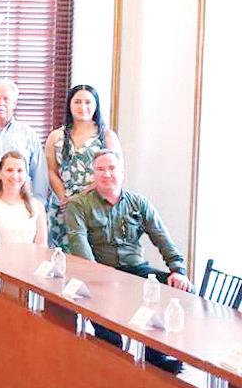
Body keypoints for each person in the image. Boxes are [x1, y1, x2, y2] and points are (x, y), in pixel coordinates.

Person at [67, 150, 189, 372]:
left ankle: (155, 355)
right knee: (96, 297)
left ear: (122, 172)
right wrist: (99, 276)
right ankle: (112, 357)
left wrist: (177, 270)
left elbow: (162, 237)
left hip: (136, 271)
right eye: (100, 169)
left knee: (181, 290)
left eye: (112, 168)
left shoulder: (139, 203)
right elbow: (79, 243)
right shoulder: (79, 204)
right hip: (100, 272)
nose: (107, 174)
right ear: (93, 174)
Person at [45, 84, 122, 250]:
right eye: (77, 102)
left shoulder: (106, 136)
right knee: (62, 255)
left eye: (88, 102)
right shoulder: (56, 136)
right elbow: (51, 171)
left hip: (96, 204)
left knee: (94, 255)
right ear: (69, 104)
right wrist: (64, 198)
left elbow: (116, 171)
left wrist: (80, 197)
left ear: (96, 105)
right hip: (63, 205)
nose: (83, 107)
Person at [0, 81, 48, 202]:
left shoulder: (28, 134)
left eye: (6, 99)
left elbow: (39, 174)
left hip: (20, 205)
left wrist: (39, 204)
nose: (1, 103)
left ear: (14, 104)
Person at [0, 151, 48, 247]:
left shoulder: (37, 206)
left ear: (26, 174)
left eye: (20, 171)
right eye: (9, 170)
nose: (15, 176)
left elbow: (42, 247)